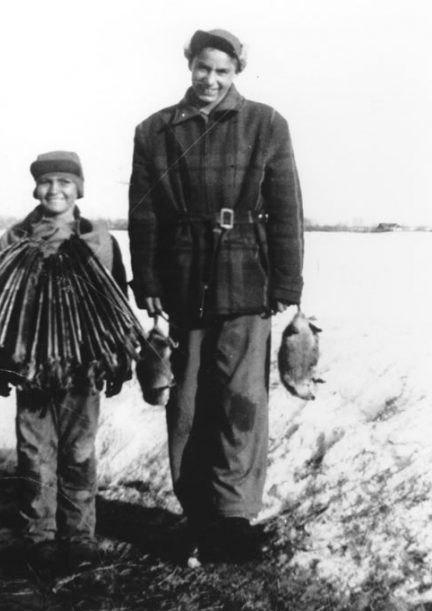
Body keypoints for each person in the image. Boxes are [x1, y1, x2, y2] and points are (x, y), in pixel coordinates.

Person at [128, 29, 304, 564]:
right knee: (186, 404)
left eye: (222, 72)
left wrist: (288, 283)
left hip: (246, 276)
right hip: (181, 280)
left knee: (241, 401)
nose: (211, 80)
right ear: (189, 65)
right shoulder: (154, 130)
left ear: (236, 74)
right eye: (203, 68)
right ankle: (197, 513)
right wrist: (149, 281)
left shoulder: (265, 123)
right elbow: (144, 213)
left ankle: (234, 519)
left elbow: (286, 208)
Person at [0, 151, 128, 573]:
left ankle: (80, 538)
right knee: (34, 451)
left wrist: (118, 359)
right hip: (31, 364)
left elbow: (117, 302)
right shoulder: (14, 239)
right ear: (36, 188)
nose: (56, 190)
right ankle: (39, 539)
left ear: (78, 188)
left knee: (79, 451)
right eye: (47, 182)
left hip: (82, 365)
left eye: (65, 182)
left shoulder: (98, 239)